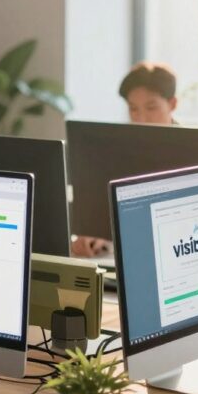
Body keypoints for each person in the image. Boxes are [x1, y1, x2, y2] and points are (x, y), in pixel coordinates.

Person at [71, 62, 180, 256]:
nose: (141, 118)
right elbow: (100, 210)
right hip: (122, 252)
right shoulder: (114, 150)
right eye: (133, 109)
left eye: (151, 107)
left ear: (172, 104)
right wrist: (94, 233)